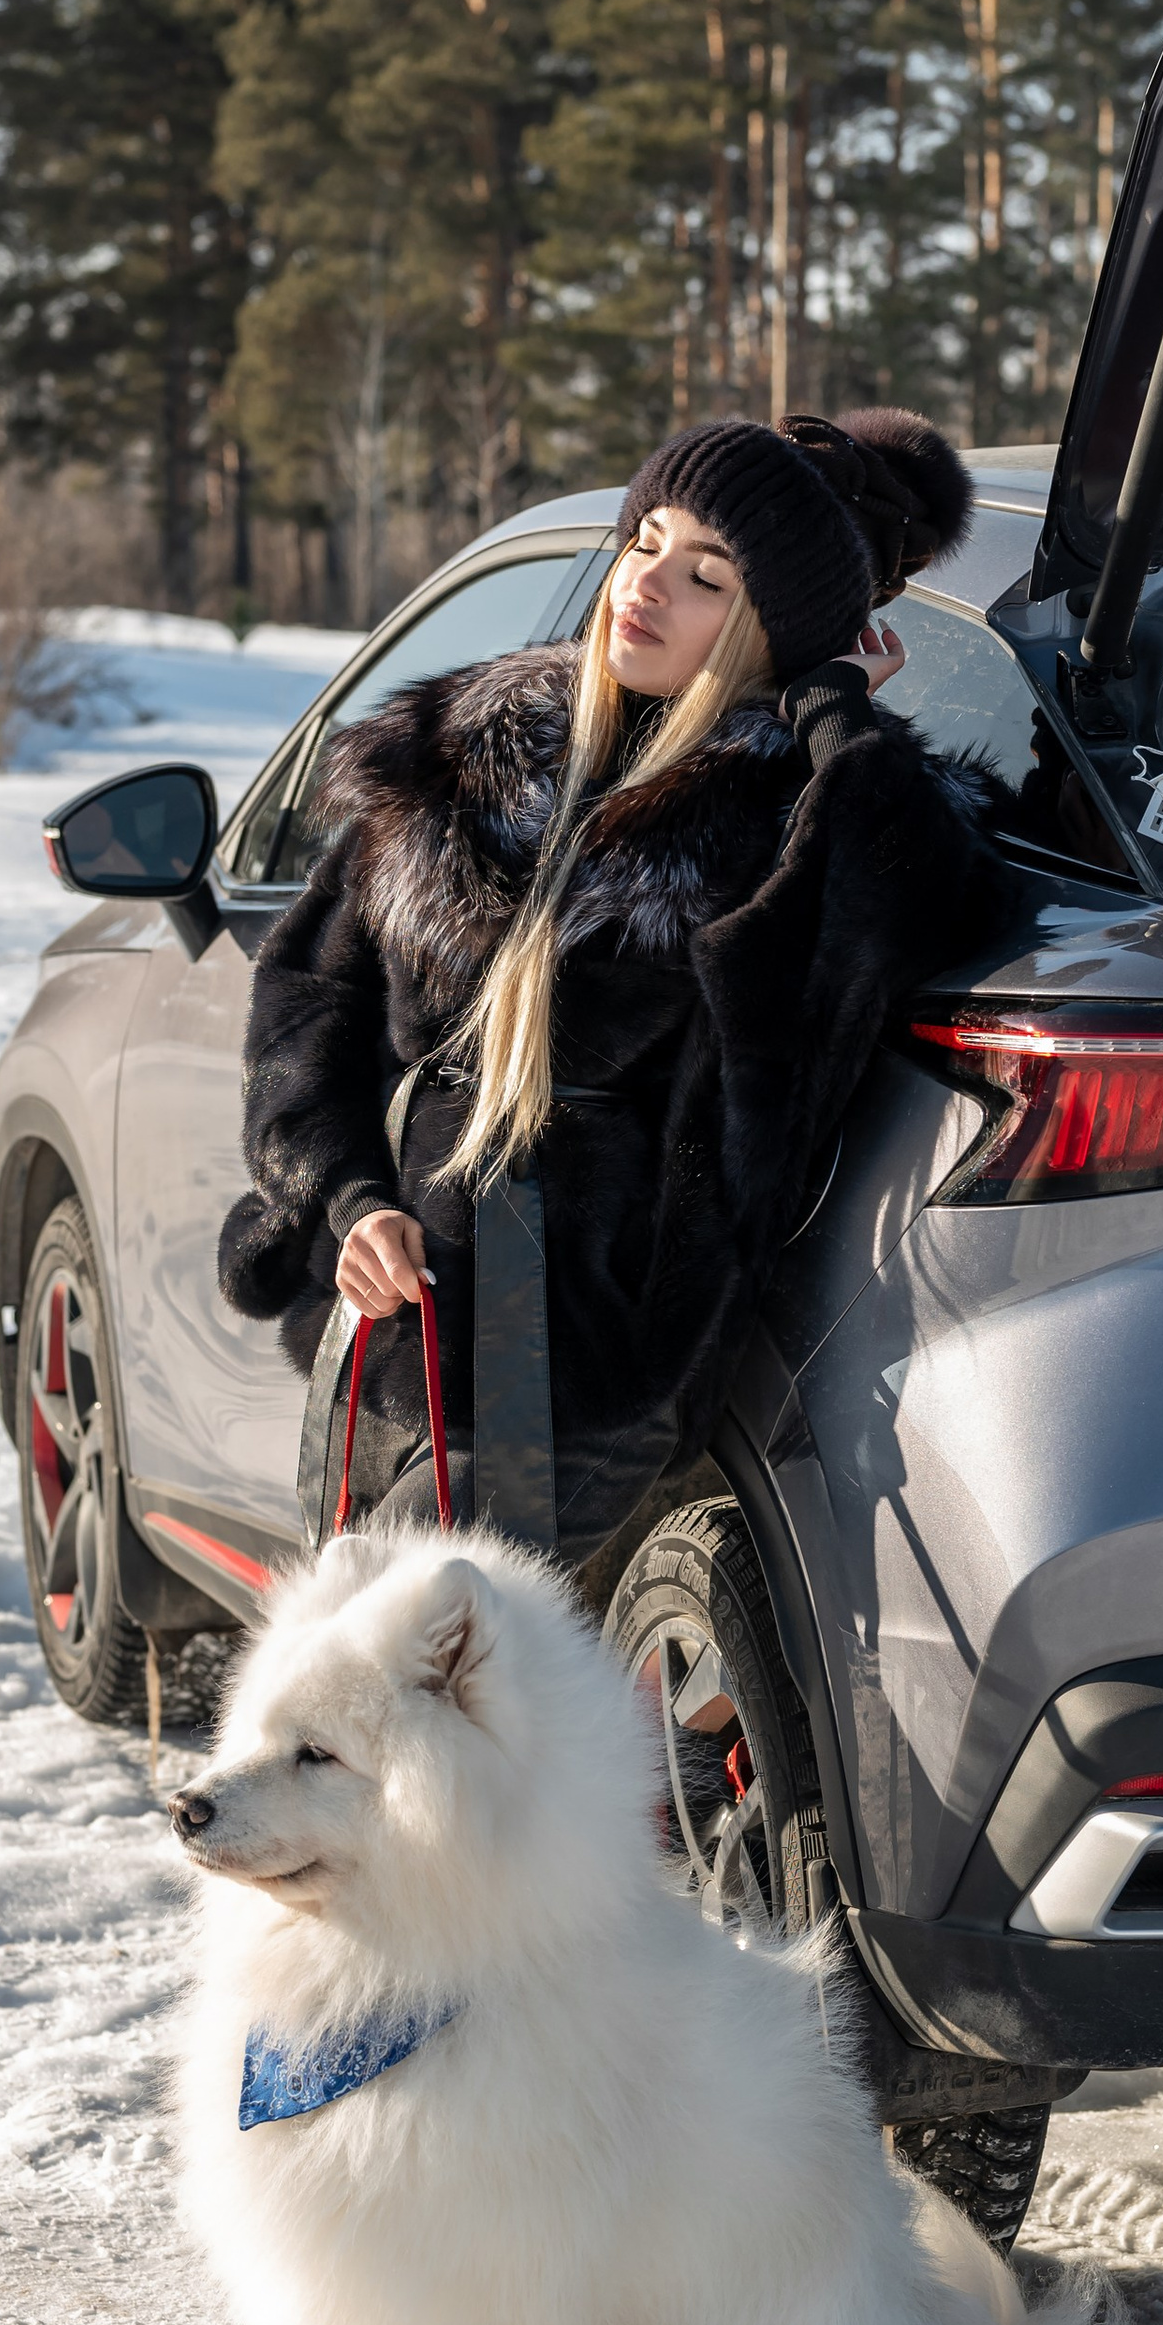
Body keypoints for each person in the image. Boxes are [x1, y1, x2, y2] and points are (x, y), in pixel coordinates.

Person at [216, 409, 1010, 1568]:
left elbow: (908, 907)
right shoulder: (459, 748)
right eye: (644, 540)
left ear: (769, 625)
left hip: (575, 1361)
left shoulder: (798, 810)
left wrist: (835, 704)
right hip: (396, 1328)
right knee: (371, 1704)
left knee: (391, 1695)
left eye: (706, 575)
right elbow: (307, 1004)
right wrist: (344, 1197)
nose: (644, 584)